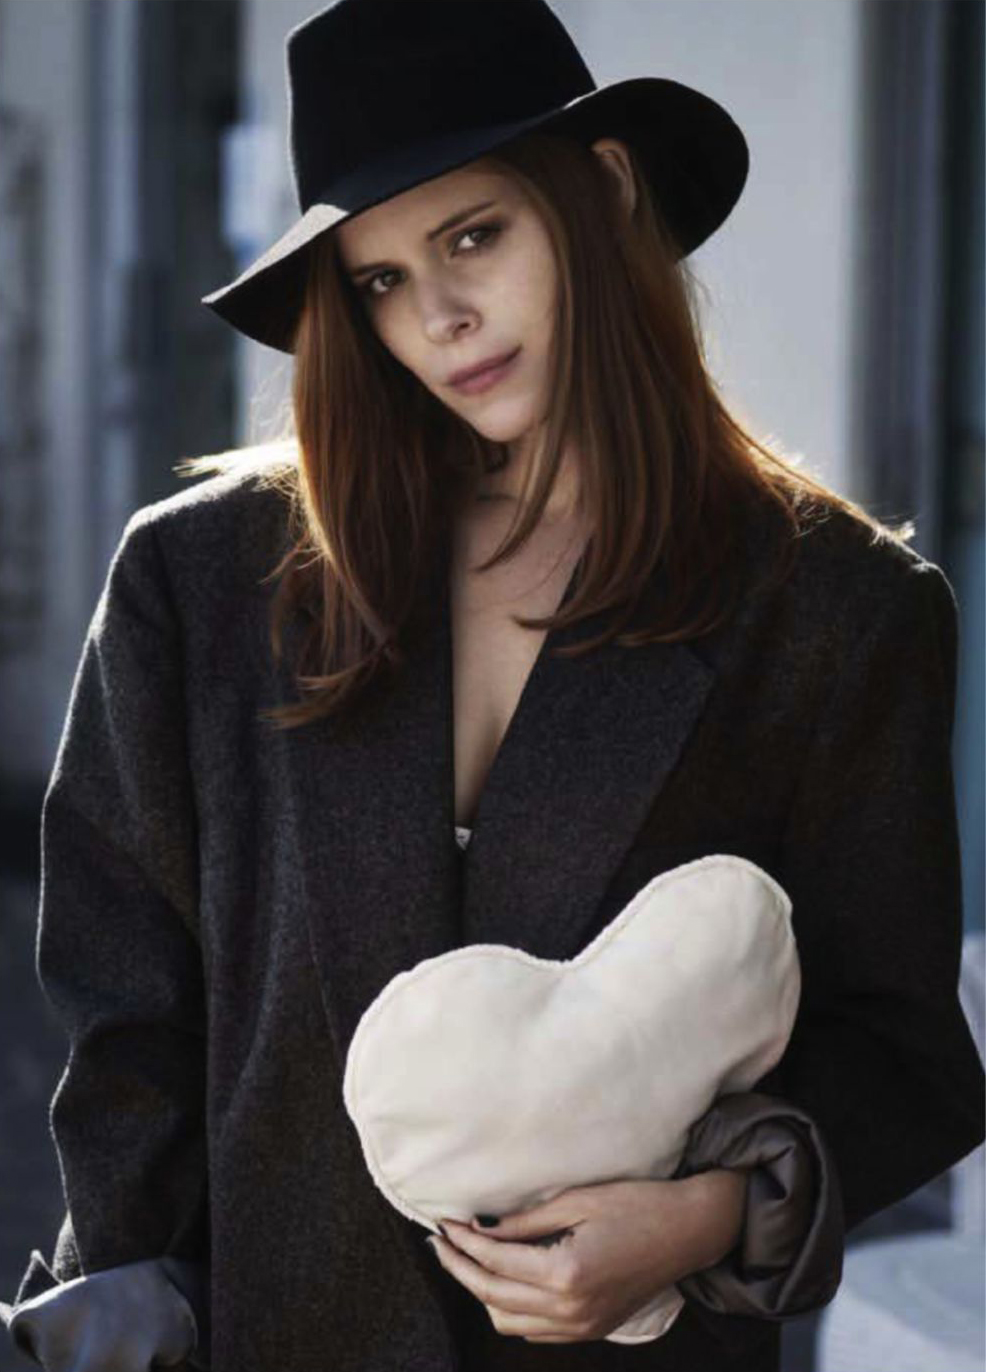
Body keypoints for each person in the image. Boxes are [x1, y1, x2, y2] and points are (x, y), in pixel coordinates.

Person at [2, 1, 984, 1369]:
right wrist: (121, 1307)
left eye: (473, 236)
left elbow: (900, 1052)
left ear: (607, 190)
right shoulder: (201, 579)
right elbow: (124, 1021)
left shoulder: (836, 607)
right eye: (379, 280)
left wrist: (704, 1218)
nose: (439, 317)